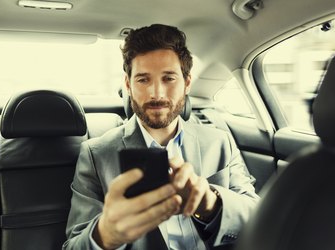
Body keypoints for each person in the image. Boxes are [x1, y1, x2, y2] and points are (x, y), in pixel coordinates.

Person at [63, 24, 259, 250]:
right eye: (143, 79)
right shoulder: (96, 154)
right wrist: (105, 234)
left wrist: (212, 204)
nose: (156, 93)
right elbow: (73, 246)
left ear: (187, 83)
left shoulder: (219, 141)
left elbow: (259, 217)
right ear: (128, 85)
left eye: (168, 78)